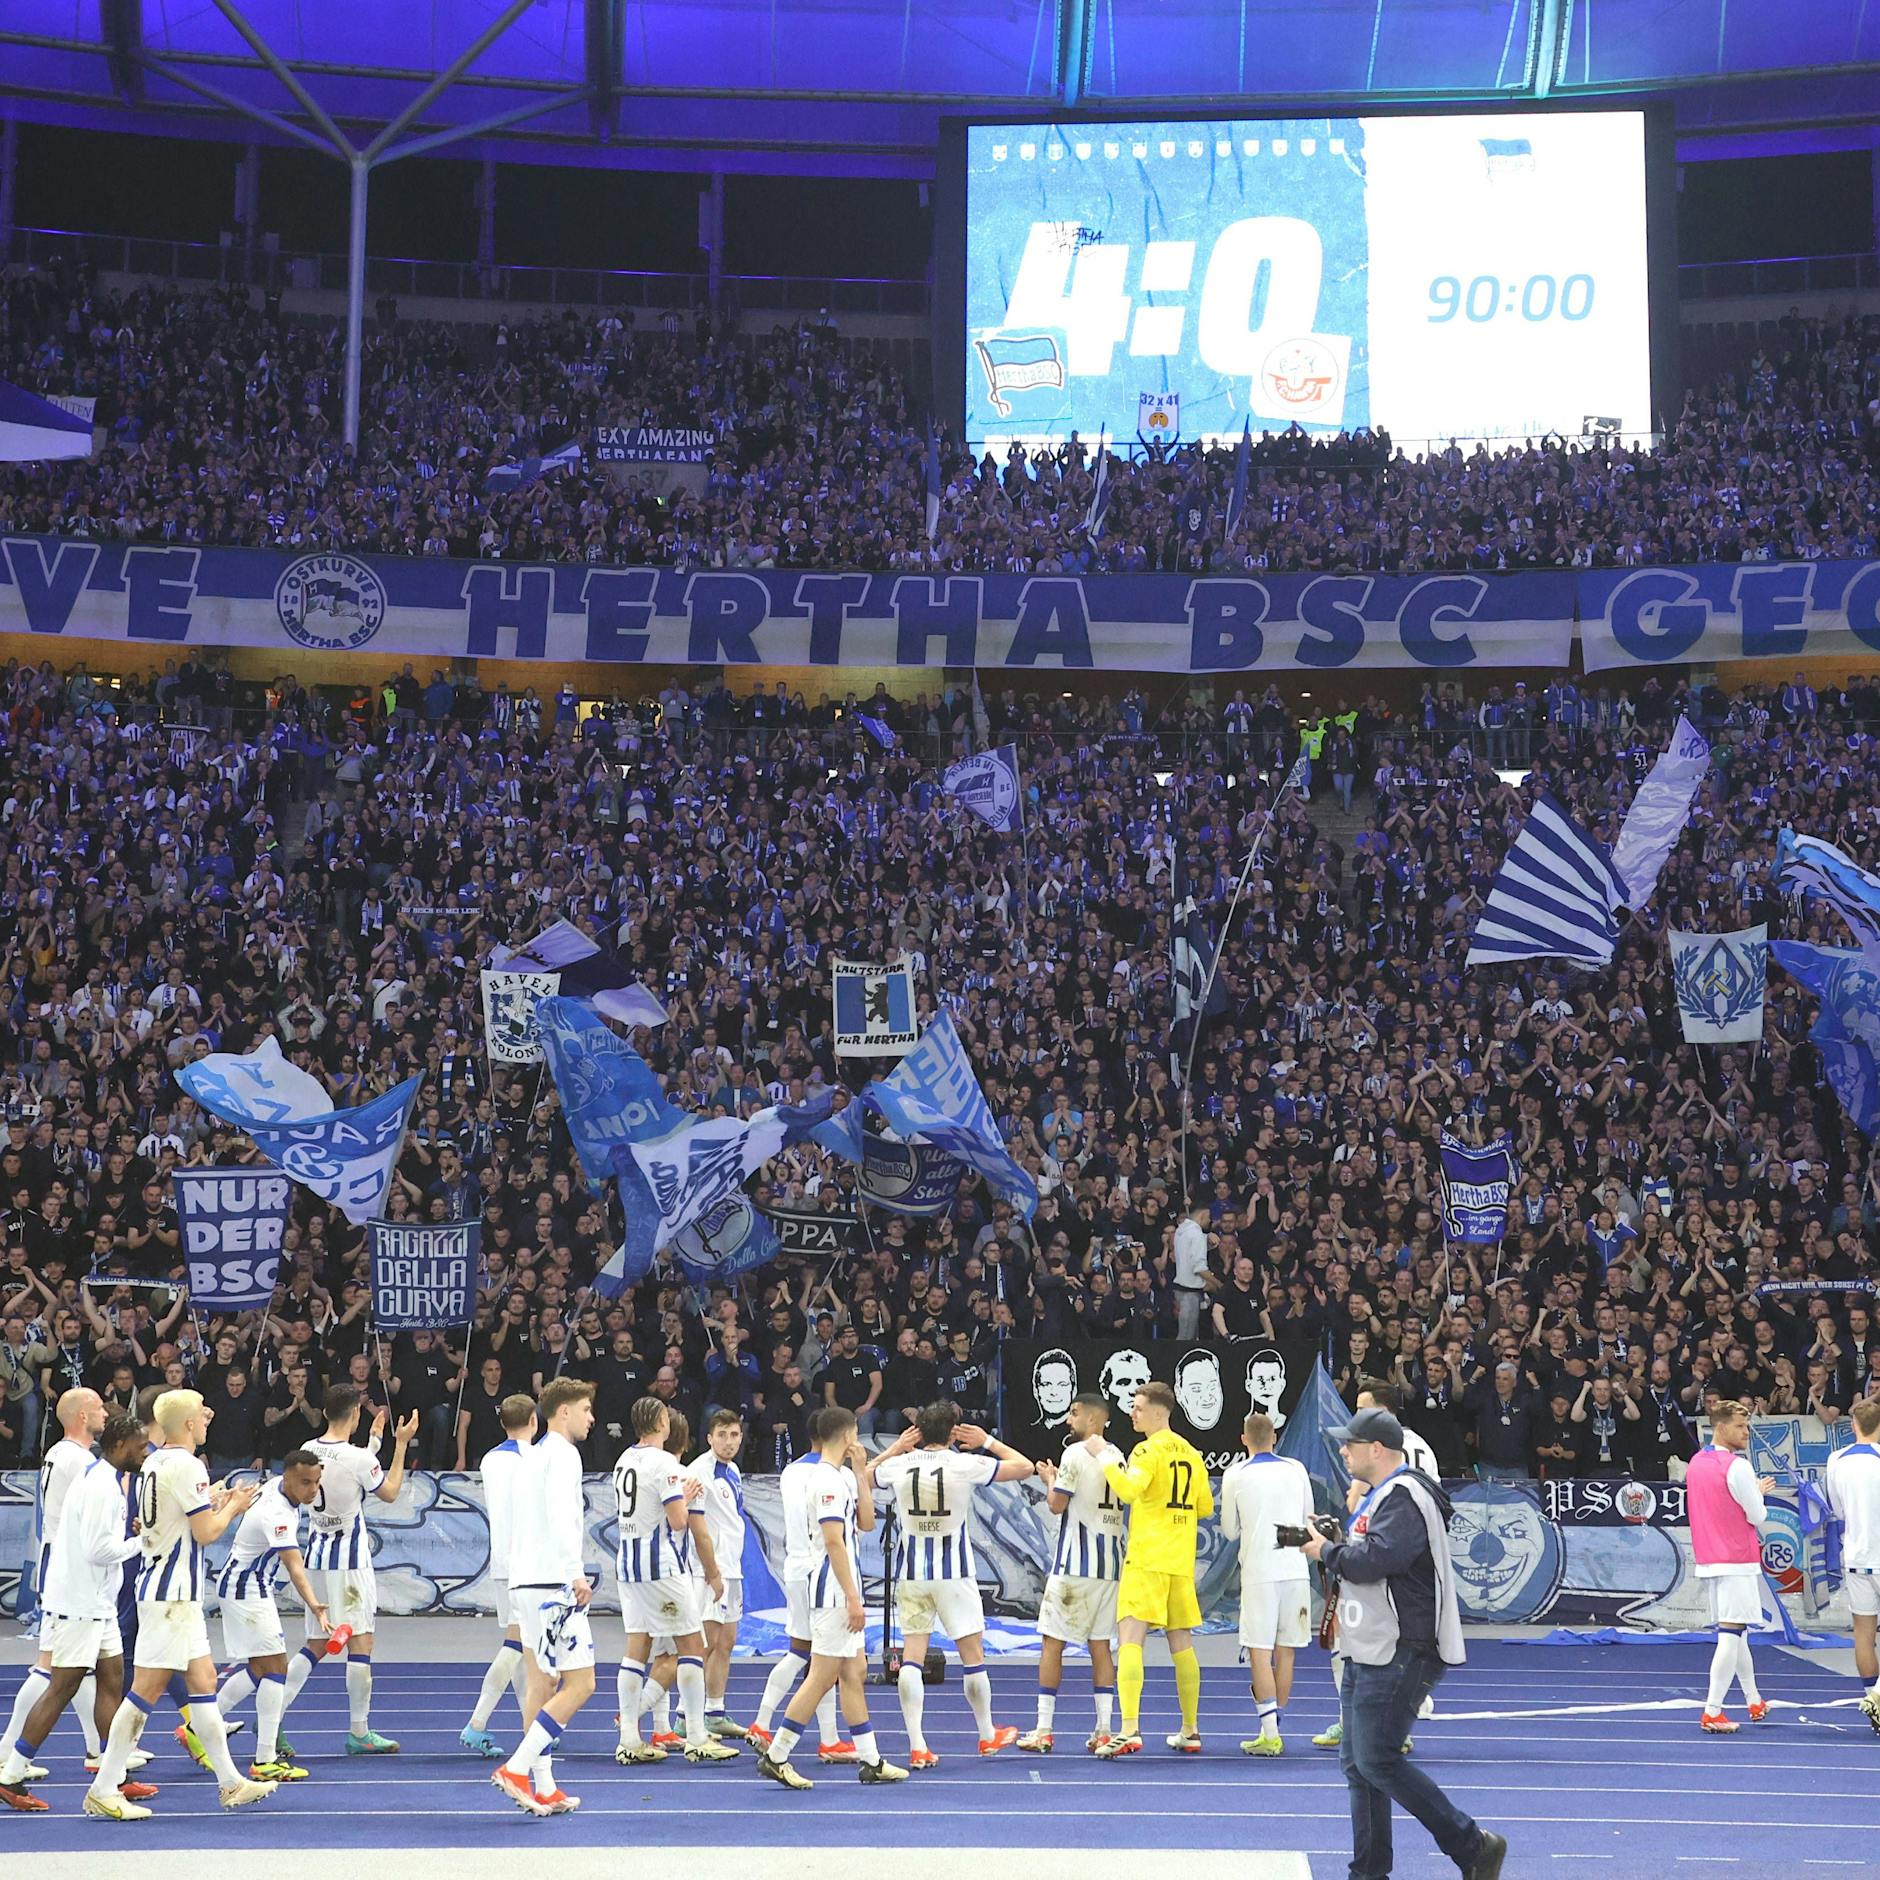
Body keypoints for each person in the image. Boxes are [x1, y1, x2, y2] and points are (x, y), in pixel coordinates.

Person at [1299, 1407, 1505, 1880]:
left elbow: (1377, 1560)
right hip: (1370, 1643)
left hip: (1398, 1647)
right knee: (1359, 1764)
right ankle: (1369, 1871)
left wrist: (1327, 1550)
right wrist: (1335, 1542)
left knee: (1375, 1760)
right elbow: (1370, 1556)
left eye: (1350, 1443)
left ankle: (1473, 1846)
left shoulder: (1403, 1496)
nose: (1343, 1450)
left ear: (1377, 1449)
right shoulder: (1384, 1496)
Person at [85, 1389, 276, 1820]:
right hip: (171, 1593)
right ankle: (104, 1786)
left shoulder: (154, 1461)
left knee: (204, 1681)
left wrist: (216, 1504)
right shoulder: (188, 1465)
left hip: (170, 1590)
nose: (208, 1417)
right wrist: (235, 1508)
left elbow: (175, 1519)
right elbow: (206, 1533)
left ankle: (230, 1781)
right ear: (188, 1424)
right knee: (144, 1692)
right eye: (201, 1414)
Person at [0, 1412, 155, 1813]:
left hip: (93, 1603)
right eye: (141, 1446)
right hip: (79, 1604)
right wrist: (145, 1542)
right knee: (62, 1686)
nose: (145, 1452)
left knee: (112, 1681)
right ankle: (10, 1771)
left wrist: (132, 1537)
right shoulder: (103, 1488)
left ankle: (114, 1774)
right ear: (120, 1446)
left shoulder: (102, 1479)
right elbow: (99, 1551)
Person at [753, 1407, 909, 1790]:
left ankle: (871, 1760)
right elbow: (834, 1541)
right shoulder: (825, 1481)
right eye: (856, 1432)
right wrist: (853, 1598)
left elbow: (867, 1523)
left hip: (840, 1585)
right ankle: (777, 1755)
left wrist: (860, 1473)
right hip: (832, 1589)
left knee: (853, 1673)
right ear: (846, 1434)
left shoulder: (841, 1477)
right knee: (822, 1676)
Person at [870, 1404, 1033, 1766]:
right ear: (954, 1432)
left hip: (912, 1573)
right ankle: (987, 1735)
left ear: (918, 1431)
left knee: (911, 1658)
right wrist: (987, 1439)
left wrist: (894, 1449)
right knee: (973, 1658)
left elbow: (859, 1478)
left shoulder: (899, 1464)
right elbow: (1025, 1466)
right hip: (954, 1573)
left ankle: (917, 1745)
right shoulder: (964, 1463)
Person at [610, 1395, 738, 1766]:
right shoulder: (665, 1463)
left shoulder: (624, 1460)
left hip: (628, 1565)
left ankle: (629, 1738)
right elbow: (679, 1520)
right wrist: (683, 1496)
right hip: (662, 1567)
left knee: (637, 1649)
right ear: (660, 1422)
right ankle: (697, 1735)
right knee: (692, 1645)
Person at [492, 1376, 597, 1816]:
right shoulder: (563, 1454)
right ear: (565, 1412)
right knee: (582, 1683)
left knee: (541, 1682)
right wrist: (574, 1573)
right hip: (553, 1584)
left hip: (525, 1581)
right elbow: (561, 1516)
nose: (592, 1418)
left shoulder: (528, 1457)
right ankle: (517, 1768)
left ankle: (544, 1784)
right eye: (587, 1409)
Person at [1316, 1379, 1439, 1752]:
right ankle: (1395, 1725)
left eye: (1361, 1407)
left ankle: (1354, 1721)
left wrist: (1334, 1544)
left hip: (1375, 1560)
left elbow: (1357, 1508)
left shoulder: (1375, 1458)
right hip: (1417, 1563)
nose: (1356, 1415)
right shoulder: (1423, 1448)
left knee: (1353, 1645)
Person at [192, 1448, 329, 1782]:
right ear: (289, 1478)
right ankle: (264, 1759)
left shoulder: (275, 1488)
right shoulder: (277, 1513)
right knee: (277, 1667)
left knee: (260, 1668)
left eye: (316, 1482)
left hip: (248, 1584)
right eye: (305, 1483)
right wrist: (315, 1605)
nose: (312, 1490)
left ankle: (197, 1728)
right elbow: (294, 1566)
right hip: (246, 1588)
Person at [1093, 1379, 1212, 1758]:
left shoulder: (1147, 1450)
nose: (1133, 1412)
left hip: (1147, 1556)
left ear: (1160, 1412)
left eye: (1139, 1407)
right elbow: (1205, 1507)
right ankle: (1190, 1729)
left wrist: (1106, 1458)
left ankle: (1128, 1728)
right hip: (1179, 1559)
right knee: (1182, 1642)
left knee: (1130, 1637)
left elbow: (1128, 1490)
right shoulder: (1192, 1453)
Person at [298, 1383, 418, 1753]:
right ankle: (359, 1731)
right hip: (349, 1561)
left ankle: (273, 1716)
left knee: (315, 1644)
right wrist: (399, 1445)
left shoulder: (306, 1451)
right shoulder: (357, 1459)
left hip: (316, 1556)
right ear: (355, 1414)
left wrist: (374, 1445)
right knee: (361, 1642)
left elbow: (344, 1473)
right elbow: (390, 1490)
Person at [0, 1387, 107, 1772]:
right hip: (71, 1570)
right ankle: (8, 1751)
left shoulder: (57, 1453)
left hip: (62, 1563)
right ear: (81, 1415)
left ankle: (100, 1749)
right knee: (53, 1667)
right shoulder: (79, 1460)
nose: (105, 1414)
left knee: (79, 1665)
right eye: (97, 1407)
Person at [1019, 1391, 1125, 1754]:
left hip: (1075, 1565)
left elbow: (1056, 1504)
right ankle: (1105, 1729)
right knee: (1101, 1647)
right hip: (1109, 1566)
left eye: (1075, 1413)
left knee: (1053, 1642)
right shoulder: (1118, 1456)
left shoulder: (1074, 1454)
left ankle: (1044, 1728)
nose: (1069, 1419)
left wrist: (1049, 1478)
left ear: (1093, 1420)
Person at [748, 1437, 855, 1763]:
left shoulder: (790, 1472)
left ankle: (827, 1737)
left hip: (794, 1566)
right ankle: (766, 1723)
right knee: (817, 1656)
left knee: (813, 1656)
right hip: (821, 1571)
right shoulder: (837, 1476)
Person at [1220, 1411, 1314, 1755]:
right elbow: (1308, 1519)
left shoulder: (1236, 1474)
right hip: (1294, 1566)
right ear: (1275, 1436)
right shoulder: (1296, 1469)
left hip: (1260, 1571)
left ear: (1244, 1439)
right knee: (1285, 1651)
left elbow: (1230, 1530)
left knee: (1260, 1651)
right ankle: (1276, 1723)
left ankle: (1270, 1732)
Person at [1688, 1399, 1778, 1733]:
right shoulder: (1737, 1467)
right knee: (1730, 1635)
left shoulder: (1697, 1463)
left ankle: (1754, 1699)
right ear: (1721, 1426)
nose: (1746, 1433)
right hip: (1736, 1557)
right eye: (1740, 1427)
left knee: (1735, 1633)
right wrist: (1757, 1492)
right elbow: (1757, 1515)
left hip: (1711, 1556)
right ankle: (1712, 1710)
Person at [462, 1392, 538, 1756]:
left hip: (502, 1561)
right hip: (528, 1562)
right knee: (516, 1645)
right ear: (534, 1420)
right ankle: (477, 1723)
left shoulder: (490, 1459)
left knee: (521, 1646)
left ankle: (530, 1725)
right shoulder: (536, 1459)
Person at [685, 1408, 752, 1738]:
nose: (729, 1441)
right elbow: (697, 1528)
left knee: (726, 1642)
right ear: (709, 1438)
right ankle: (685, 1717)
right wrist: (711, 1573)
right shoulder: (698, 1472)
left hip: (732, 1568)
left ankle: (714, 1711)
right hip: (708, 1572)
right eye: (722, 1435)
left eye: (734, 1435)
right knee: (704, 1645)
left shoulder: (734, 1470)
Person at [1822, 1395, 1880, 1731]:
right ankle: (1876, 1700)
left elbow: (1838, 1511)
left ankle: (1873, 1701)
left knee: (1863, 1634)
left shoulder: (1836, 1460)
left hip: (1855, 1556)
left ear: (1854, 1426)